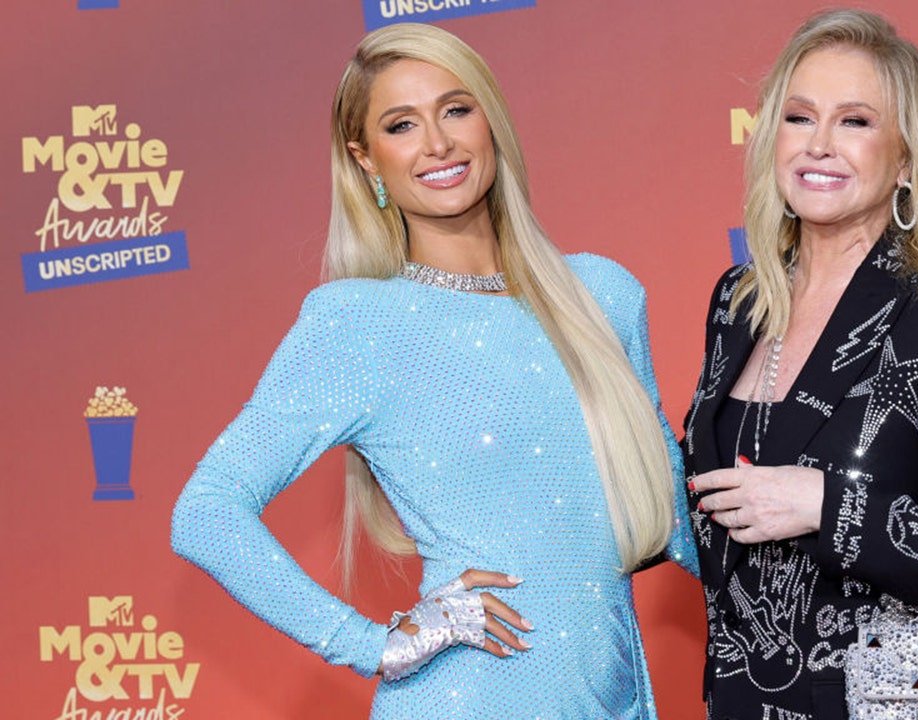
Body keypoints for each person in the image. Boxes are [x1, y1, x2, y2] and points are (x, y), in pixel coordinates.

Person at [171, 22, 694, 719]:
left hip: (612, 694)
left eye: (455, 109)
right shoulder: (357, 324)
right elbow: (205, 513)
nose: (438, 143)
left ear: (490, 121)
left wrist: (829, 524)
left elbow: (674, 512)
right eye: (401, 125)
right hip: (466, 698)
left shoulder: (603, 295)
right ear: (365, 159)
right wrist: (371, 644)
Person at [682, 9, 918, 719]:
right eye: (799, 118)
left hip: (889, 702)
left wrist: (826, 505)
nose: (818, 144)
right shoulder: (740, 299)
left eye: (854, 121)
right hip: (744, 699)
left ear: (906, 158)